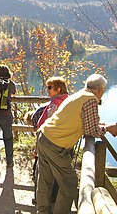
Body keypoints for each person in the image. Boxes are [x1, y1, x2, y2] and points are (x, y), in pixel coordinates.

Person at [36, 74, 116, 214]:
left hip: (44, 136)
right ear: (100, 90)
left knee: (45, 180)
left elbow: (83, 122)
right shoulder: (91, 100)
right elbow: (92, 130)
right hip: (56, 144)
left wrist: (101, 125)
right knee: (69, 185)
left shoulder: (79, 95)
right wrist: (108, 128)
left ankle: (42, 212)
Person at [31, 76, 69, 205]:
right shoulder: (67, 101)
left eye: (49, 87)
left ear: (58, 89)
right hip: (62, 142)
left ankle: (40, 200)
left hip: (49, 142)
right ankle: (53, 197)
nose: (47, 90)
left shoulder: (55, 104)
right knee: (56, 172)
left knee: (43, 172)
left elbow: (48, 125)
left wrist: (38, 146)